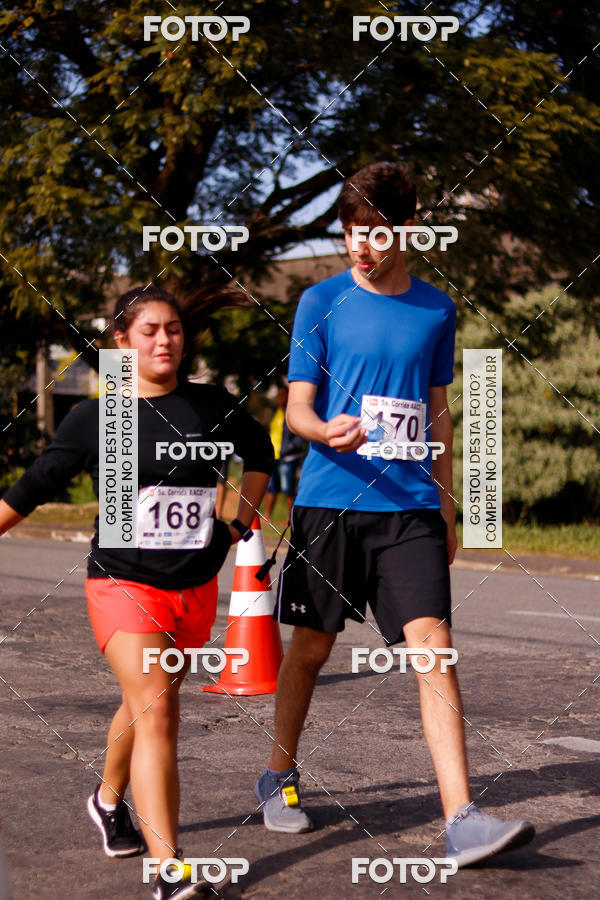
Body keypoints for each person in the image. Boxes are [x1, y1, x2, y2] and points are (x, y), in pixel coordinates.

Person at [254, 162, 535, 867]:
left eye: (377, 233)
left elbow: (439, 411)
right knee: (312, 650)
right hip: (329, 498)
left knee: (433, 649)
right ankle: (278, 774)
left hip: (409, 506)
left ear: (407, 228)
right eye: (352, 233)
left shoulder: (437, 309)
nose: (363, 247)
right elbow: (294, 408)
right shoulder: (318, 302)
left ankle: (461, 817)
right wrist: (323, 430)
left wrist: (449, 504)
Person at [0, 285, 274, 899]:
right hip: (123, 582)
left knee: (143, 704)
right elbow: (35, 485)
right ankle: (170, 871)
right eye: (149, 330)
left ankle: (106, 799)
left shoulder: (210, 405)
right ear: (121, 340)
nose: (164, 340)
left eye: (173, 329)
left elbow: (261, 452)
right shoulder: (99, 416)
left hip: (194, 584)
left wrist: (238, 523)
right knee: (160, 711)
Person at [264, 385, 306, 524]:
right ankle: (267, 516)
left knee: (288, 488)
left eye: (282, 395)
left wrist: (290, 447)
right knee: (271, 487)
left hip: (288, 457)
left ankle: (290, 517)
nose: (279, 398)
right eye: (278, 395)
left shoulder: (292, 412)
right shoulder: (276, 412)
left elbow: (300, 435)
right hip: (273, 455)